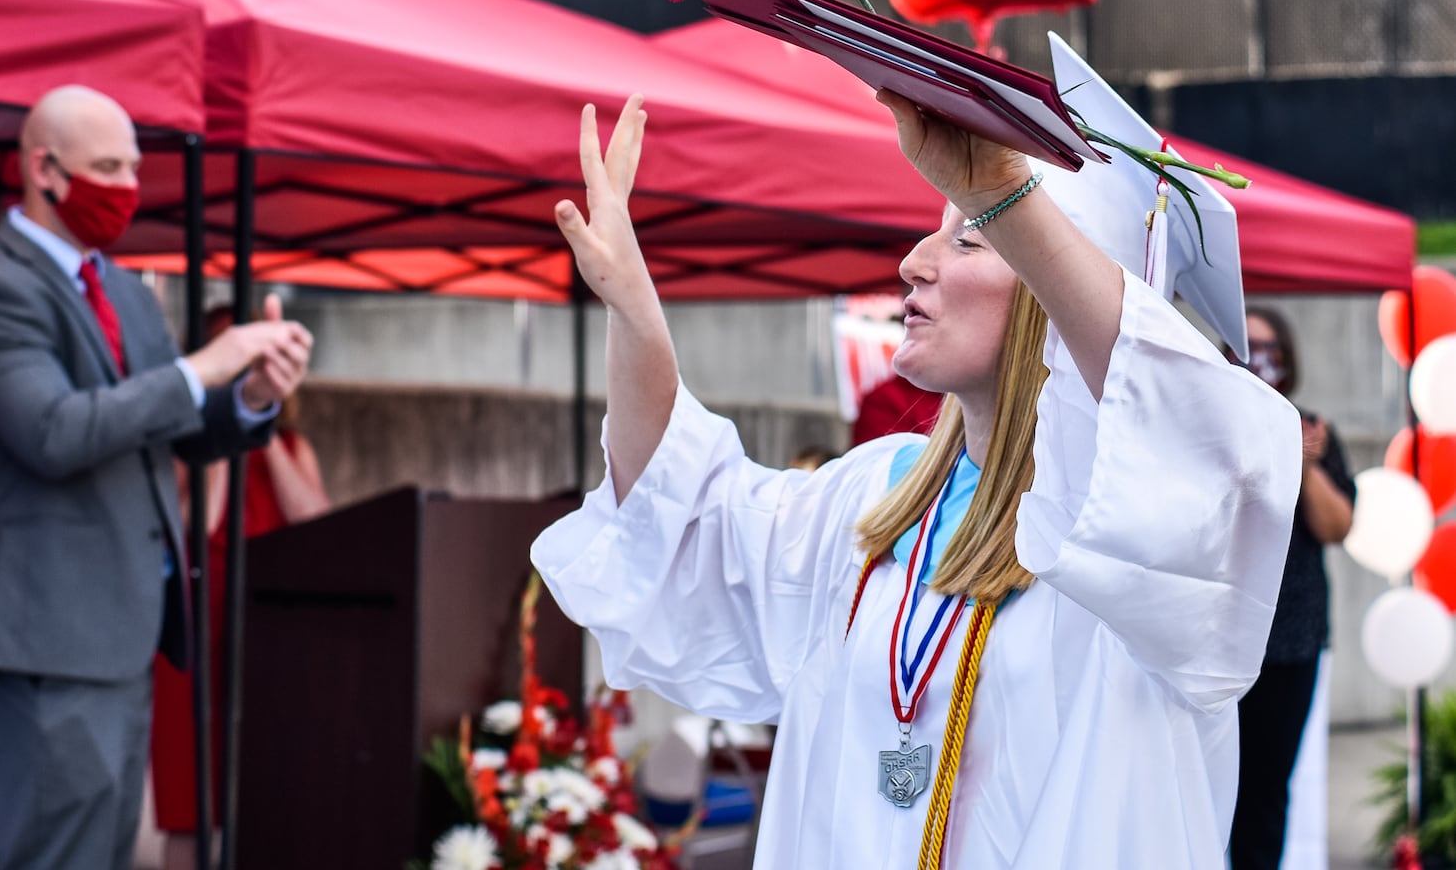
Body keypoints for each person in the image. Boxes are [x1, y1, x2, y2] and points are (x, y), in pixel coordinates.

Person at [531, 51, 1303, 866]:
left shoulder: (1144, 549)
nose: (914, 263)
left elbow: (1198, 438)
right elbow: (687, 527)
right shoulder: (875, 496)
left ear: (1055, 287)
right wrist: (636, 313)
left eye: (971, 238)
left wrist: (1009, 196)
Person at [0, 86, 313, 870]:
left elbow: (168, 425)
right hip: (46, 642)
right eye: (106, 167)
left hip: (123, 636)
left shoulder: (126, 293)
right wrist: (204, 365)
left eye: (133, 166)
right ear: (44, 169)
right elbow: (55, 433)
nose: (127, 187)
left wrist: (250, 395)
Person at [150, 305, 330, 870]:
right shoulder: (190, 452)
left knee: (271, 788)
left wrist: (263, 423)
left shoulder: (295, 448)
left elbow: (317, 523)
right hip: (201, 635)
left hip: (270, 637)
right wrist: (226, 425)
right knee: (192, 798)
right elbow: (199, 526)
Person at [1228, 306, 1355, 870]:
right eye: (1248, 348)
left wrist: (1299, 458)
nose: (1261, 362)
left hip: (1289, 644)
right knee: (1202, 786)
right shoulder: (1206, 425)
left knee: (1265, 788)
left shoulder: (1313, 431)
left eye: (1271, 351)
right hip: (1214, 640)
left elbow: (1336, 526)